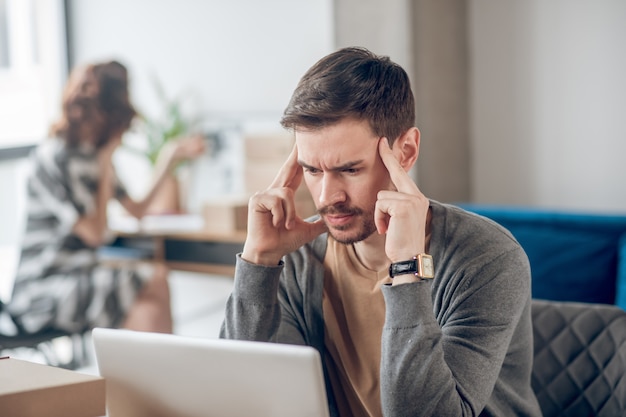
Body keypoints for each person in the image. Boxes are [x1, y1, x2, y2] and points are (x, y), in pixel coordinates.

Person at [220, 47, 542, 416]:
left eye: (350, 170)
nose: (327, 197)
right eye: (312, 170)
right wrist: (258, 263)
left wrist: (408, 267)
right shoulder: (300, 263)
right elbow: (240, 400)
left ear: (405, 151)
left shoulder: (486, 258)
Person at [8, 60, 204, 336]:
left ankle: (155, 378)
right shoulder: (54, 157)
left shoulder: (93, 155)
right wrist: (105, 165)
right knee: (155, 278)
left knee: (145, 309)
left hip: (81, 275)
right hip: (42, 289)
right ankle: (165, 375)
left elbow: (137, 209)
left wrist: (168, 156)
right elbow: (95, 233)